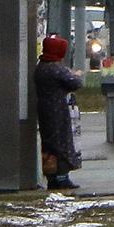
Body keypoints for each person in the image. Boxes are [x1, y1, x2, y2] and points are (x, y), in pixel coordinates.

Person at [33, 34, 83, 191]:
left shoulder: (41, 67)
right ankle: (62, 178)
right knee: (61, 143)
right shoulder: (56, 68)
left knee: (49, 144)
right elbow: (75, 83)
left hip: (44, 109)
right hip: (58, 110)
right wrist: (75, 75)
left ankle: (52, 176)